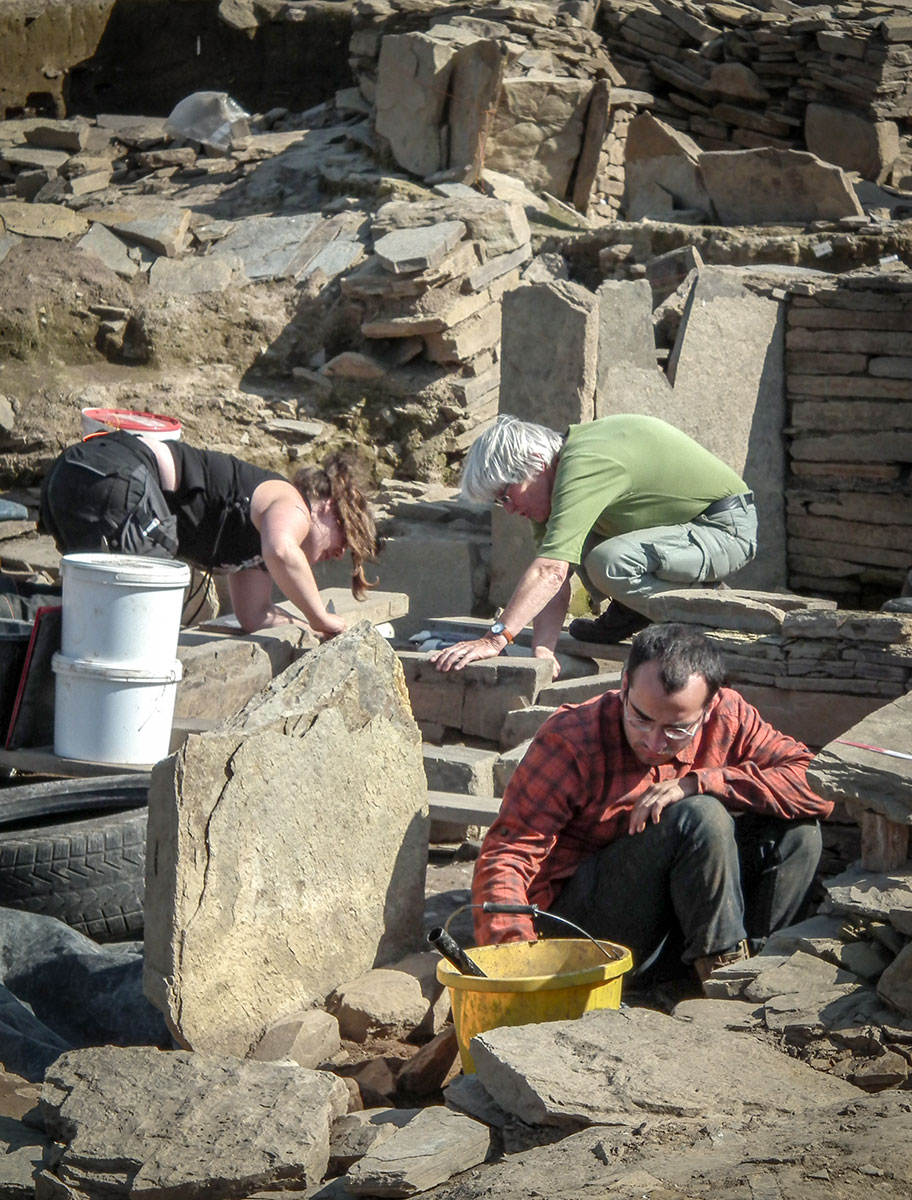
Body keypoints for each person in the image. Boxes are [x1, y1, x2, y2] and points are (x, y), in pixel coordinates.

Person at [471, 624, 832, 986]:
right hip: (584, 936)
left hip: (675, 928)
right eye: (641, 719)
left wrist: (701, 782)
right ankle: (724, 981)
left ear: (708, 708)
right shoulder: (572, 739)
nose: (655, 742)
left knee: (796, 832)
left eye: (677, 729)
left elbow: (819, 786)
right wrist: (515, 957)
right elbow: (507, 854)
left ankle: (758, 973)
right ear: (625, 686)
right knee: (700, 817)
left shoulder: (729, 716)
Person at [432, 413, 757, 679]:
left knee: (609, 563)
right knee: (580, 549)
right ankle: (634, 609)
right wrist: (543, 651)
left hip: (724, 529)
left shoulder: (583, 462)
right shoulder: (552, 484)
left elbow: (550, 572)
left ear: (535, 464)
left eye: (505, 495)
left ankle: (706, 610)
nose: (509, 509)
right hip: (681, 535)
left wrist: (495, 639)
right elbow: (555, 580)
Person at [39, 430, 379, 637]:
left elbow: (256, 615)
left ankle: (17, 610)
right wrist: (321, 617)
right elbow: (282, 550)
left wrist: (311, 631)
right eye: (345, 537)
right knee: (140, 613)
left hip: (75, 480)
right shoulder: (292, 503)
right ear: (327, 507)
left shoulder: (257, 545)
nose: (340, 553)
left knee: (96, 611)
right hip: (111, 472)